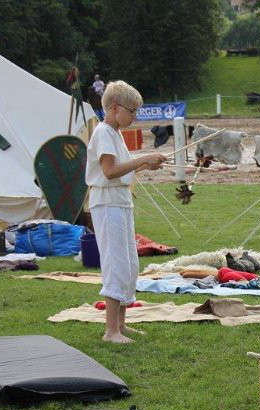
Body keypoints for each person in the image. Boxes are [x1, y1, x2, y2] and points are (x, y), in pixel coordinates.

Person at [86, 81, 166, 343]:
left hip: (120, 202)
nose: (135, 117)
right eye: (132, 111)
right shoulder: (103, 133)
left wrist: (145, 165)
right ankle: (111, 331)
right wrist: (142, 159)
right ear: (114, 107)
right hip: (107, 203)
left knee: (130, 263)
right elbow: (109, 172)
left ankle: (120, 325)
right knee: (116, 263)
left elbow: (121, 170)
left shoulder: (115, 133)